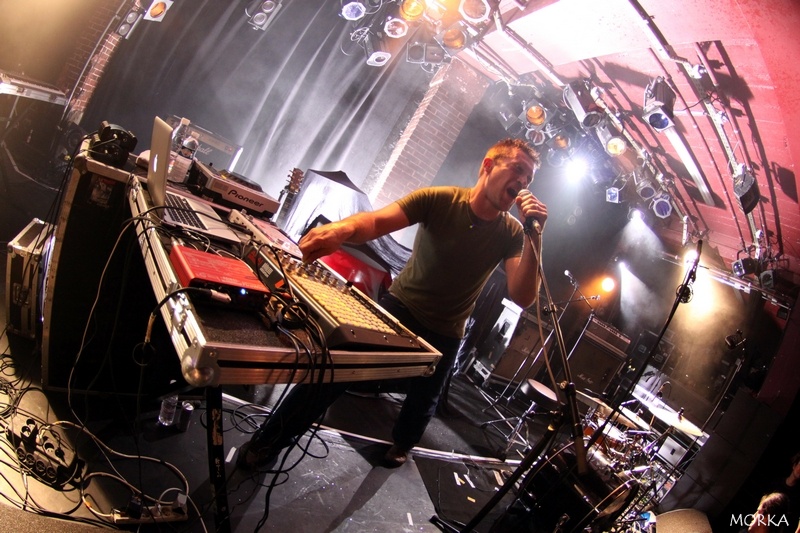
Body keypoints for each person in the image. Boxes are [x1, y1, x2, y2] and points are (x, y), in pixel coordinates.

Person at [237, 138, 547, 468]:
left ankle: (402, 444)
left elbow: (523, 295)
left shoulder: (515, 233)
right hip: (401, 306)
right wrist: (339, 230)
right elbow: (376, 221)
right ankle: (268, 441)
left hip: (448, 327)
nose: (523, 182)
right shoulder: (440, 199)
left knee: (423, 402)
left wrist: (535, 236)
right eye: (518, 169)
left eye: (529, 179)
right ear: (487, 166)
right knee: (334, 372)